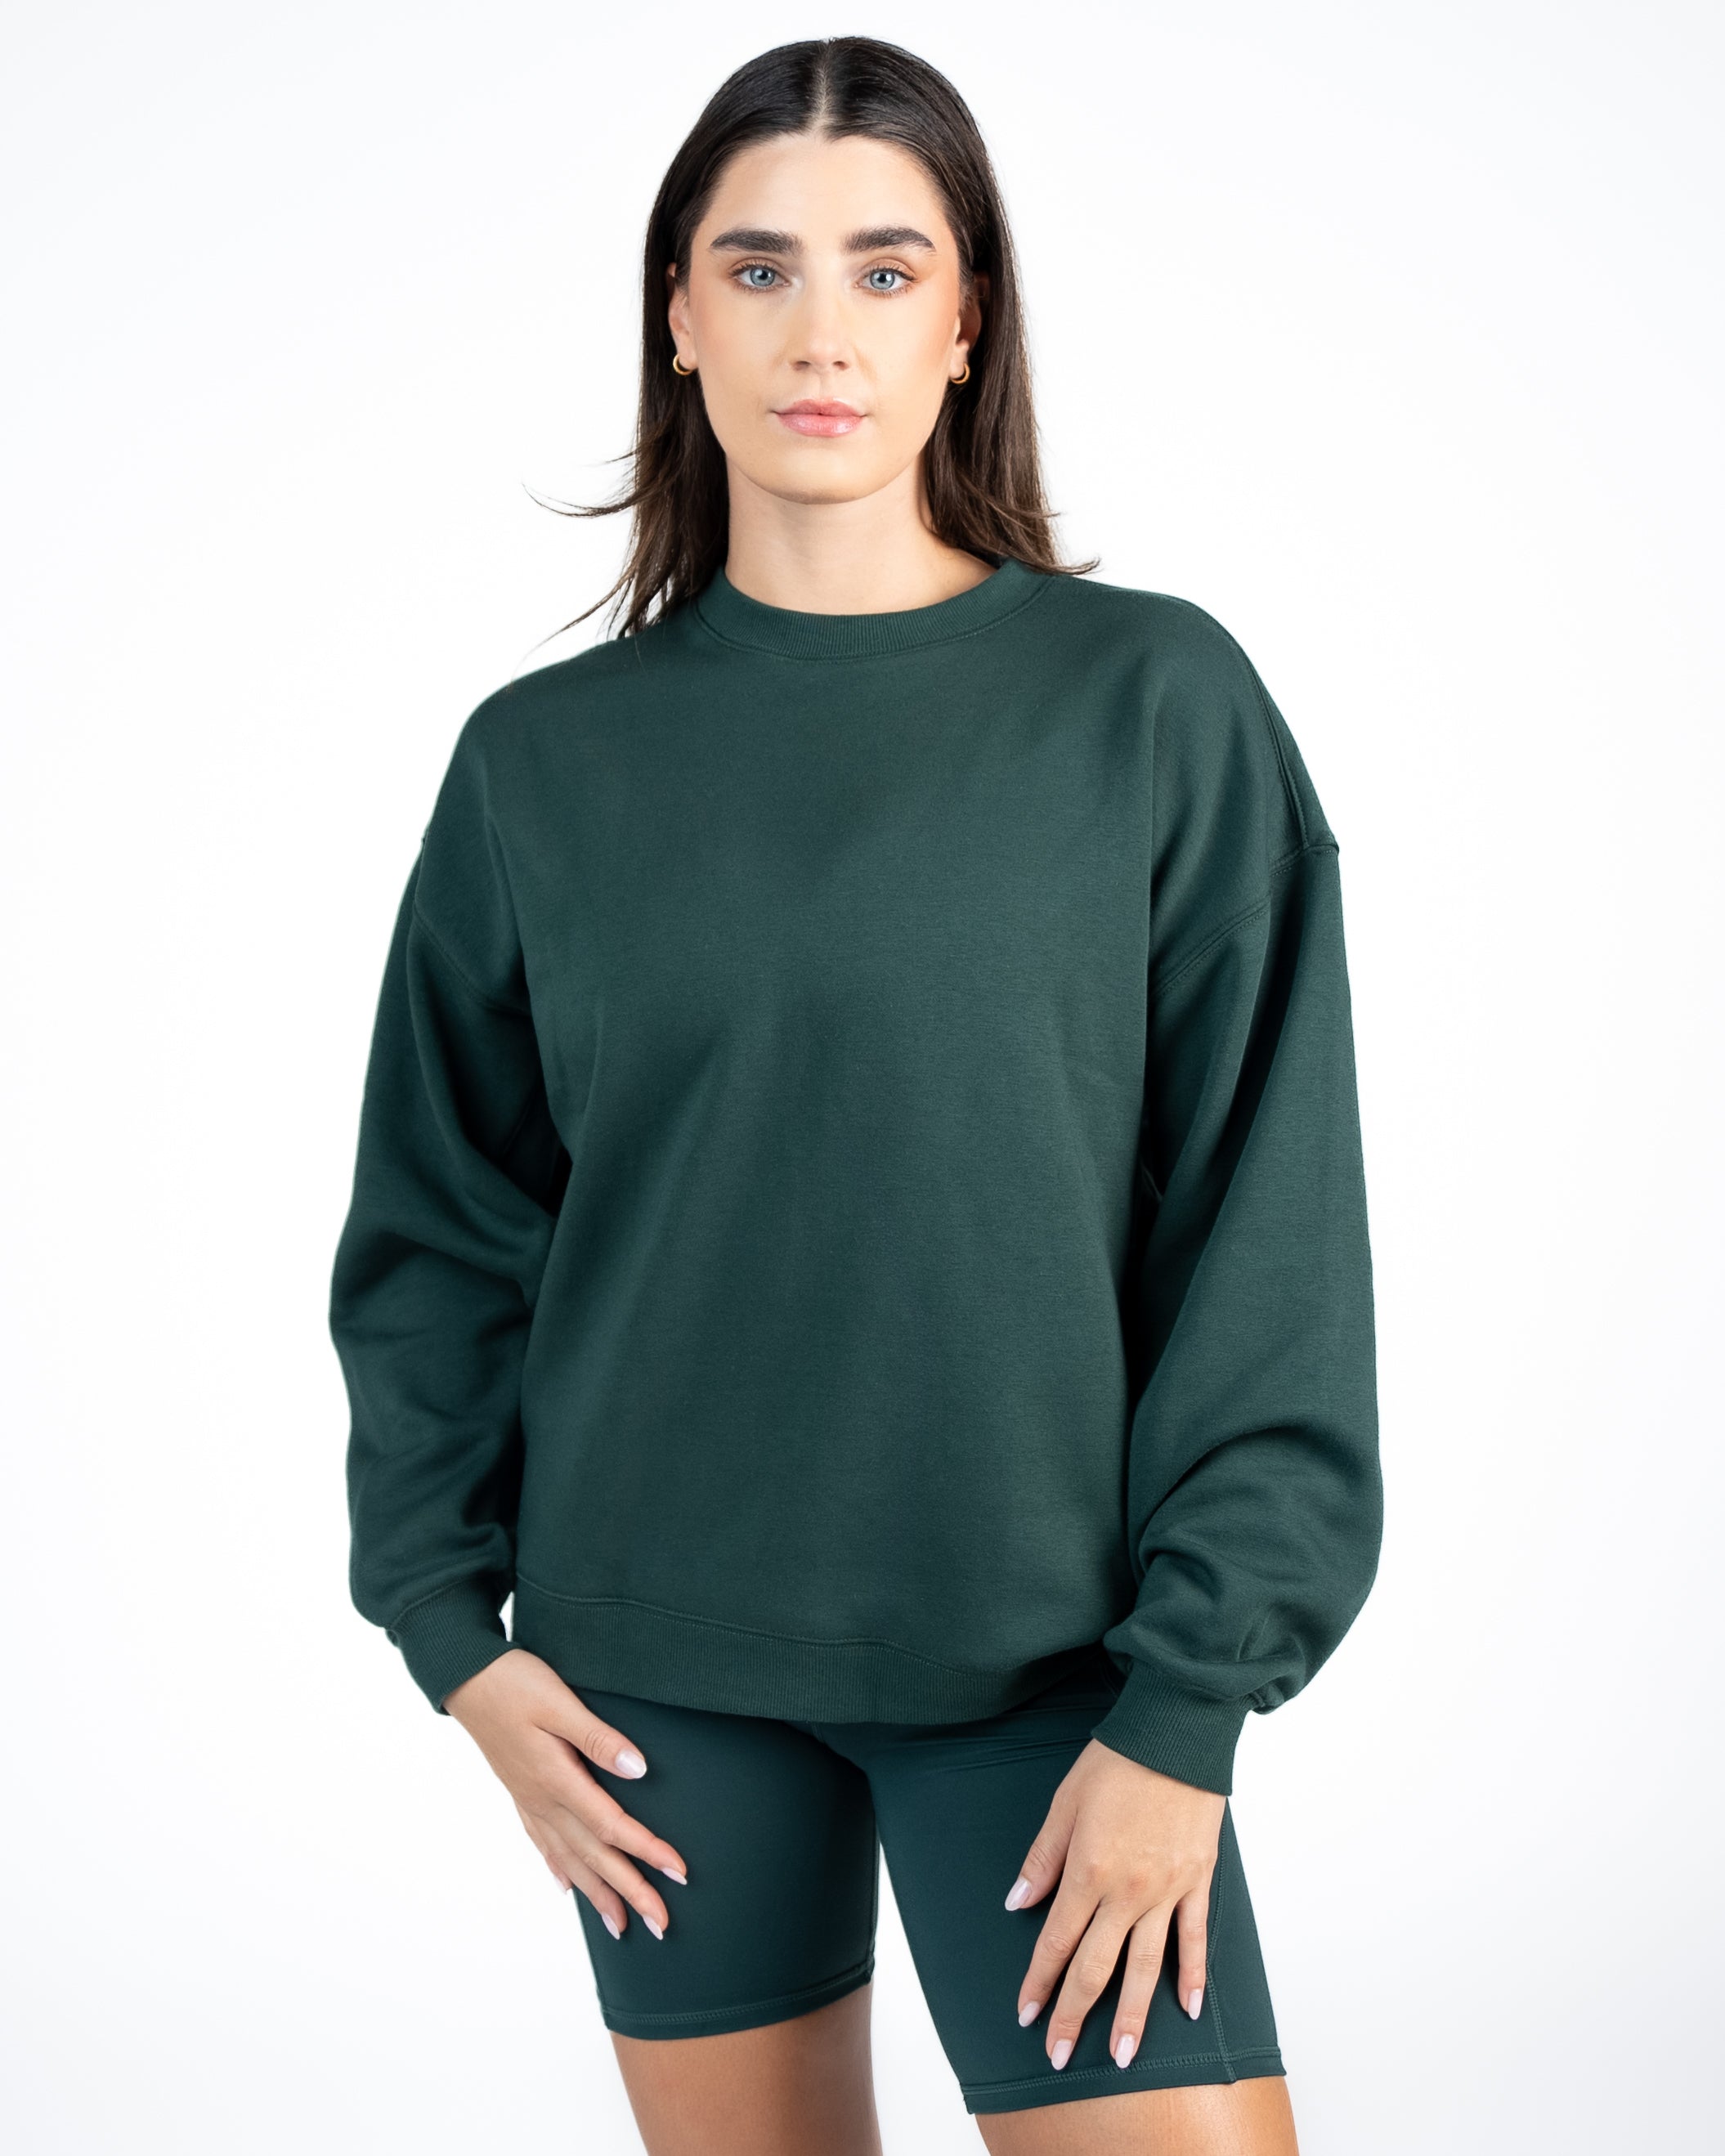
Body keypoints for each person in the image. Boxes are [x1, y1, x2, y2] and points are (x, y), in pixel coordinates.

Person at [329, 34, 1382, 2156]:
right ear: (680, 313)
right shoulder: (543, 764)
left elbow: (1265, 1234)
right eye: (762, 267)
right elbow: (440, 1230)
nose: (823, 331)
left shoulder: (1151, 703)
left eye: (887, 270)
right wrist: (452, 1634)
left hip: (1057, 1682)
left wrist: (1191, 1705)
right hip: (654, 1681)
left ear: (968, 318)